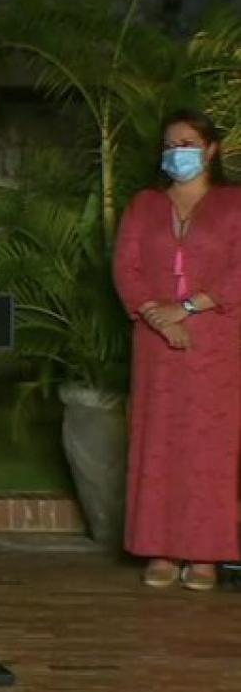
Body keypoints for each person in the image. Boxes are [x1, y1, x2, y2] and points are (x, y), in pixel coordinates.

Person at [113, 108, 241, 592]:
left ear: (209, 150)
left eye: (187, 144)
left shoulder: (234, 205)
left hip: (216, 343)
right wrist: (157, 317)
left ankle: (205, 553)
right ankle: (160, 547)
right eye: (169, 145)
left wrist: (186, 309)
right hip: (156, 344)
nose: (176, 153)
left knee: (210, 447)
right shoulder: (143, 205)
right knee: (158, 442)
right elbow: (127, 268)